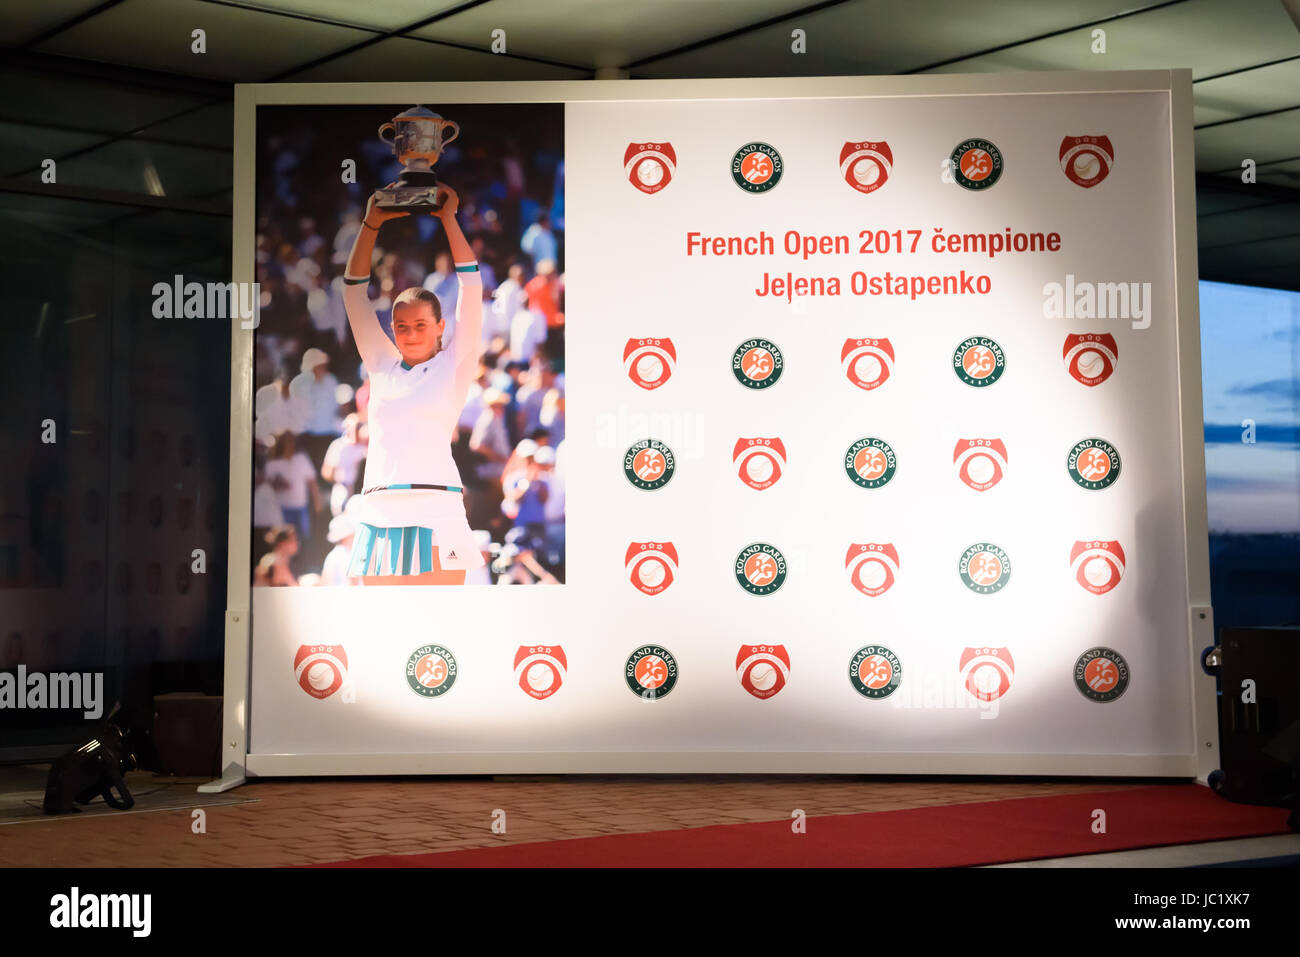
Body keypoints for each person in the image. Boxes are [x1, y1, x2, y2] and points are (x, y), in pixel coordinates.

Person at [341, 183, 485, 585]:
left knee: (440, 632)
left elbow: (471, 285)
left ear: (441, 326)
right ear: (391, 328)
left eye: (421, 325)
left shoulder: (454, 364)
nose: (410, 332)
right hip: (379, 508)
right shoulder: (381, 363)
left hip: (437, 506)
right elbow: (352, 292)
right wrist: (371, 222)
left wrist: (448, 218)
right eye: (401, 326)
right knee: (384, 628)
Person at [265, 431, 323, 544]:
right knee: (285, 540)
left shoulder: (301, 459)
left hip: (301, 508)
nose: (290, 445)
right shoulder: (273, 463)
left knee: (304, 539)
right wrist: (279, 484)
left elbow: (312, 482)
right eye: (287, 443)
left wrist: (317, 501)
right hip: (282, 509)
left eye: (291, 442)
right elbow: (268, 485)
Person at [321, 413, 367, 515]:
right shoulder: (338, 446)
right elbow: (327, 472)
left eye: (358, 427)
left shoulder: (361, 447)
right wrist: (340, 481)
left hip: (358, 489)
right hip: (342, 489)